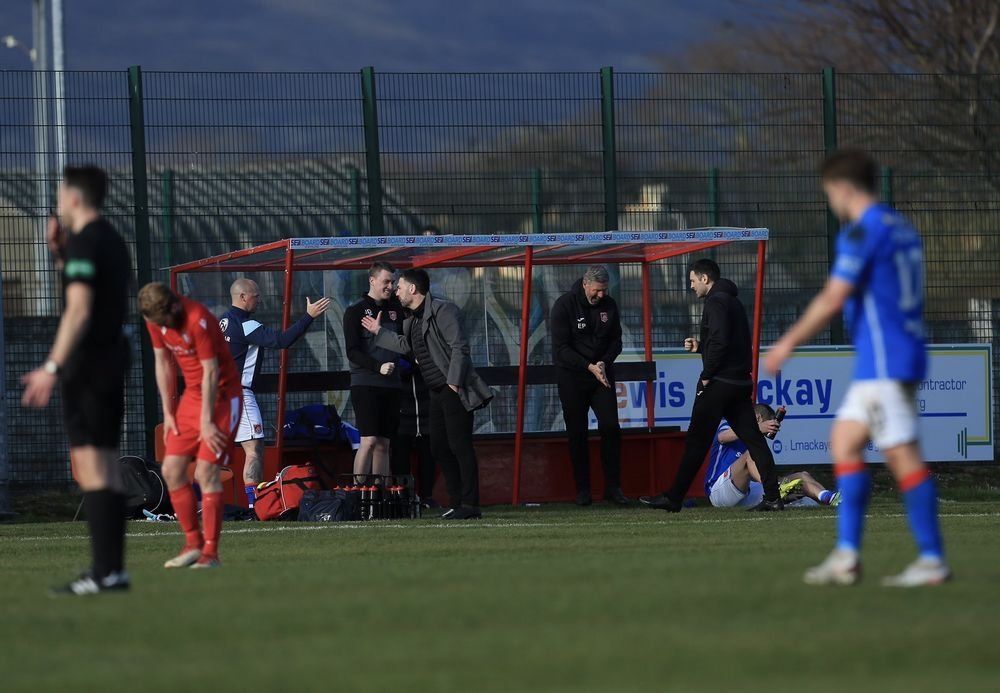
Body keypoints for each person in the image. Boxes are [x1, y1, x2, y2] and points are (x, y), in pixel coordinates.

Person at [766, 149, 949, 587]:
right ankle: (847, 556)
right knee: (844, 441)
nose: (832, 203)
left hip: (887, 361)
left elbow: (833, 297)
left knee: (902, 457)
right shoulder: (901, 227)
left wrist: (787, 342)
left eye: (830, 193)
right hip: (892, 356)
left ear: (843, 189)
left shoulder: (861, 233)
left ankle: (932, 558)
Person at [21, 165, 131, 595]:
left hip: (89, 365)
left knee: (92, 466)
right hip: (110, 361)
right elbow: (90, 290)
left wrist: (51, 367)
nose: (57, 201)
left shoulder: (87, 240)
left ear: (74, 197)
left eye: (59, 193)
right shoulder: (109, 240)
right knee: (104, 464)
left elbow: (80, 309)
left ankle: (104, 573)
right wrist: (59, 255)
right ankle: (112, 572)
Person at [641, 258, 782, 512]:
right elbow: (727, 342)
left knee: (696, 441)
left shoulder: (715, 302)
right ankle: (773, 497)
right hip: (740, 382)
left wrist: (706, 375)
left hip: (719, 383)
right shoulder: (734, 302)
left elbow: (719, 343)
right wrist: (700, 347)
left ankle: (673, 498)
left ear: (705, 279)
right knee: (755, 441)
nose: (691, 286)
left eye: (693, 281)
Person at [361, 268, 493, 519]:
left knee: (459, 446)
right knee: (439, 447)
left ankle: (470, 505)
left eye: (399, 287)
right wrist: (380, 333)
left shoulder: (444, 310)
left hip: (453, 388)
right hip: (435, 391)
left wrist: (453, 384)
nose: (395, 291)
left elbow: (459, 348)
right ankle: (457, 502)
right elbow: (405, 346)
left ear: (412, 289)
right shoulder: (411, 319)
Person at [139, 282, 242, 569]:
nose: (159, 327)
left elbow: (211, 372)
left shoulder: (198, 318)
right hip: (192, 398)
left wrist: (207, 421)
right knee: (171, 469)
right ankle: (192, 544)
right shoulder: (155, 321)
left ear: (172, 307)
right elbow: (162, 363)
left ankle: (211, 554)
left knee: (206, 471)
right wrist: (168, 412)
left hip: (222, 396)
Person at [219, 278, 330, 507]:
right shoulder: (246, 324)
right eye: (255, 295)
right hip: (237, 394)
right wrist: (308, 316)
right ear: (242, 297)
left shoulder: (222, 322)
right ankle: (254, 505)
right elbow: (282, 341)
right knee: (254, 449)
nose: (259, 300)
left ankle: (200, 502)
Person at [550, 265, 629, 506]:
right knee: (577, 432)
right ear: (586, 285)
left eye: (605, 290)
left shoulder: (610, 305)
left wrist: (603, 362)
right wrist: (588, 366)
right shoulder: (564, 305)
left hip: (601, 376)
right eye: (597, 290)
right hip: (573, 377)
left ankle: (613, 488)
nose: (601, 295)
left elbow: (617, 341)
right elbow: (561, 350)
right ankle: (583, 490)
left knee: (611, 428)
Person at [706, 404, 841, 509]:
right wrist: (757, 428)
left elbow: (757, 473)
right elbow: (722, 437)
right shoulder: (729, 423)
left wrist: (782, 482)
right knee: (750, 456)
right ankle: (775, 489)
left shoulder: (756, 439)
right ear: (758, 418)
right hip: (718, 492)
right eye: (767, 424)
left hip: (746, 491)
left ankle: (830, 497)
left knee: (801, 476)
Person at [343, 262, 406, 479]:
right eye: (386, 281)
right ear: (372, 280)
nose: (390, 286)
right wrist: (378, 367)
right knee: (368, 440)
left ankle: (380, 496)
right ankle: (359, 493)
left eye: (393, 282)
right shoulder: (355, 311)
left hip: (392, 384)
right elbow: (352, 352)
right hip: (365, 383)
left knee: (384, 444)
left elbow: (405, 344)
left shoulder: (397, 310)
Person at [390, 357, 438, 507]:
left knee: (428, 456)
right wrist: (413, 362)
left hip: (426, 410)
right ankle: (402, 496)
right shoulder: (394, 343)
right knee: (400, 456)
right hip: (401, 411)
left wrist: (419, 363)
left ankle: (427, 497)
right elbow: (400, 369)